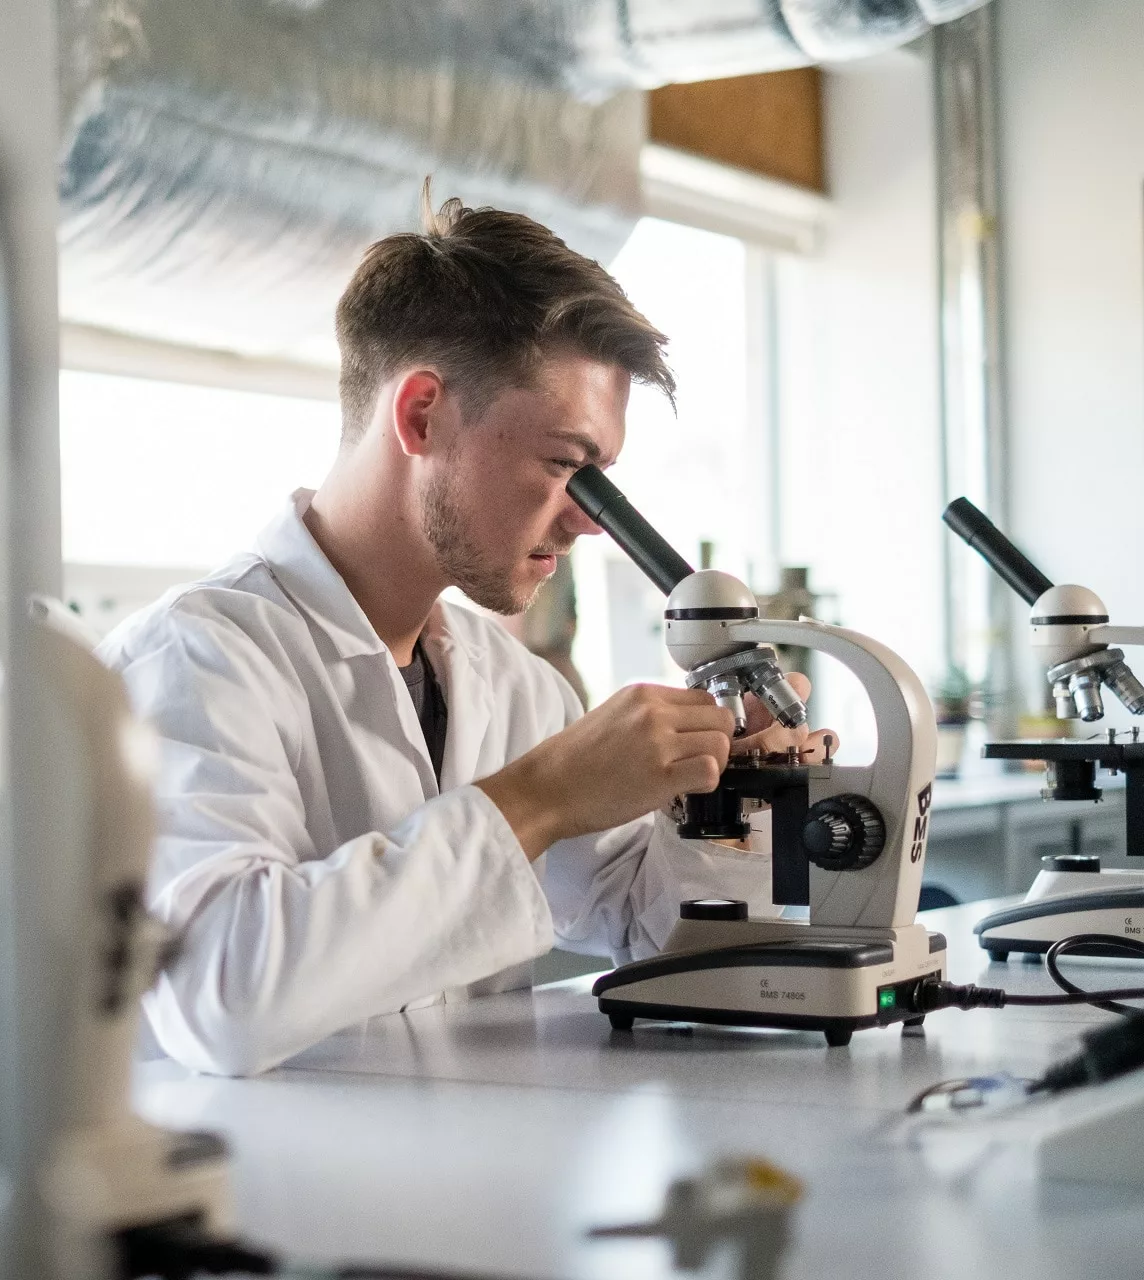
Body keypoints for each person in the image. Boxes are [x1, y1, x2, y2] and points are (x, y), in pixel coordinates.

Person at [99, 195, 832, 1077]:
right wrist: (536, 797)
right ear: (421, 416)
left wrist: (729, 801)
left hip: (477, 1184)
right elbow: (221, 995)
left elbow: (657, 941)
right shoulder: (196, 658)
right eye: (566, 466)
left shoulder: (510, 685)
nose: (589, 523)